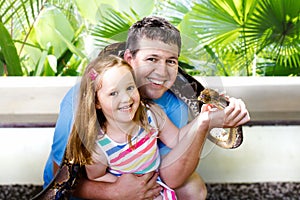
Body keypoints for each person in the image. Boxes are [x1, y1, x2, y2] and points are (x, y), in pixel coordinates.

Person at [43, 16, 250, 199]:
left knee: (192, 189)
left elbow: (171, 175)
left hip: (145, 179)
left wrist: (206, 120)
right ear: (129, 58)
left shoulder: (171, 105)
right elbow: (59, 176)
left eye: (171, 61)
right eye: (152, 59)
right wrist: (114, 192)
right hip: (84, 190)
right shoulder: (83, 99)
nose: (161, 72)